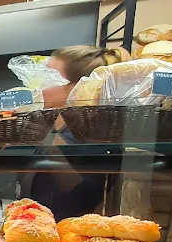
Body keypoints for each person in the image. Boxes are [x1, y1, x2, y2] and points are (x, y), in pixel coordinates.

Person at [19, 45, 131, 221]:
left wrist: (52, 149)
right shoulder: (49, 122)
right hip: (33, 225)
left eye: (48, 77)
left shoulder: (96, 133)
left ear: (79, 86)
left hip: (69, 231)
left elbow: (85, 198)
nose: (38, 85)